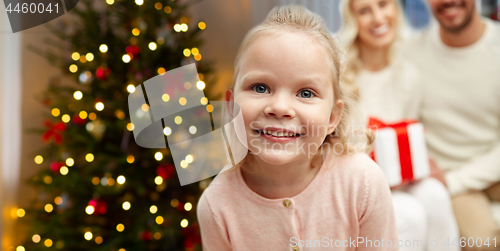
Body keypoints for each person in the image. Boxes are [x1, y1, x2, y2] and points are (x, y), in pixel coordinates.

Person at [196, 5, 398, 251]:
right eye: (260, 87)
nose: (280, 108)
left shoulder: (363, 183)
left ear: (333, 116)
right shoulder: (216, 205)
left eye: (305, 93)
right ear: (230, 107)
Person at [338, 0, 460, 250]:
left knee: (435, 194)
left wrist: (423, 163)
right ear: (353, 21)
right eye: (364, 11)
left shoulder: (408, 76)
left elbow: (406, 138)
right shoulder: (340, 78)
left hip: (399, 178)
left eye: (383, 5)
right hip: (357, 183)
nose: (378, 17)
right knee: (410, 212)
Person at [405, 0, 500, 250]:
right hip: (450, 175)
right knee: (484, 243)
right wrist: (450, 181)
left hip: (492, 168)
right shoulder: (412, 53)